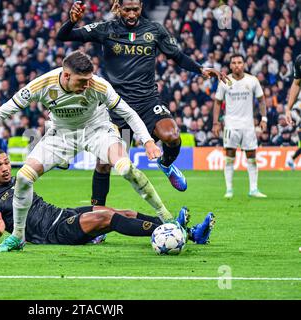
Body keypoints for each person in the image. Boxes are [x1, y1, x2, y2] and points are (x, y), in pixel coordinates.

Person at [0, 51, 180, 253]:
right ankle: (18, 237)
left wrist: (148, 141)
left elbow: (129, 114)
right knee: (23, 177)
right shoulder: (42, 84)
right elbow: (3, 112)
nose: (87, 85)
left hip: (97, 130)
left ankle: (166, 216)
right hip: (61, 135)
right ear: (66, 75)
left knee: (125, 168)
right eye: (81, 81)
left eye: (89, 80)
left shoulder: (99, 85)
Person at [57, 0, 229, 206]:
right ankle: (97, 217)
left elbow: (176, 55)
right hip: (115, 105)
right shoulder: (105, 29)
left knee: (172, 137)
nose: (131, 14)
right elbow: (64, 36)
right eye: (127, 9)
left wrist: (200, 69)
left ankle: (165, 165)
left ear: (141, 8)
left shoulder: (154, 30)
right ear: (118, 7)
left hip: (147, 101)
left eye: (135, 10)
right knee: (104, 163)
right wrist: (71, 21)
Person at [0, 149, 215, 247]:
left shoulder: (17, 180)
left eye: (7, 163)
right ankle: (180, 232)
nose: (5, 168)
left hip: (63, 213)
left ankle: (188, 231)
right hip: (53, 233)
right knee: (106, 217)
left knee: (123, 212)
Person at [212, 54, 267, 199]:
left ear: (244, 64)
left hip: (248, 126)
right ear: (230, 65)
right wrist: (215, 122)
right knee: (230, 157)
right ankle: (229, 190)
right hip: (231, 126)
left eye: (239, 62)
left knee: (252, 157)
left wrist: (264, 118)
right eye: (234, 63)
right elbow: (217, 102)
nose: (237, 65)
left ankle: (253, 189)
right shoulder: (225, 81)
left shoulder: (252, 80)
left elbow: (261, 100)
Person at [285, 54, 301, 170]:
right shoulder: (299, 60)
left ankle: (291, 159)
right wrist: (288, 109)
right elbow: (296, 83)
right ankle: (291, 159)